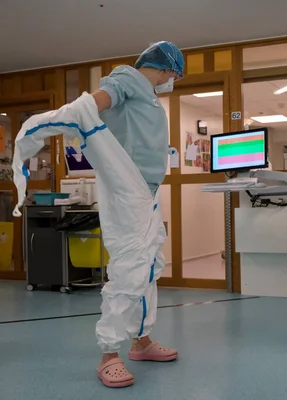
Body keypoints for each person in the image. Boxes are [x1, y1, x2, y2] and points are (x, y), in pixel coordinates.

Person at [11, 41, 184, 387]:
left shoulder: (146, 93)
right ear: (167, 70)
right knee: (130, 269)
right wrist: (83, 108)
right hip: (127, 186)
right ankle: (109, 354)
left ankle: (141, 340)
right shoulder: (127, 80)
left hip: (145, 191)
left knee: (148, 264)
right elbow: (93, 104)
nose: (172, 82)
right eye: (174, 76)